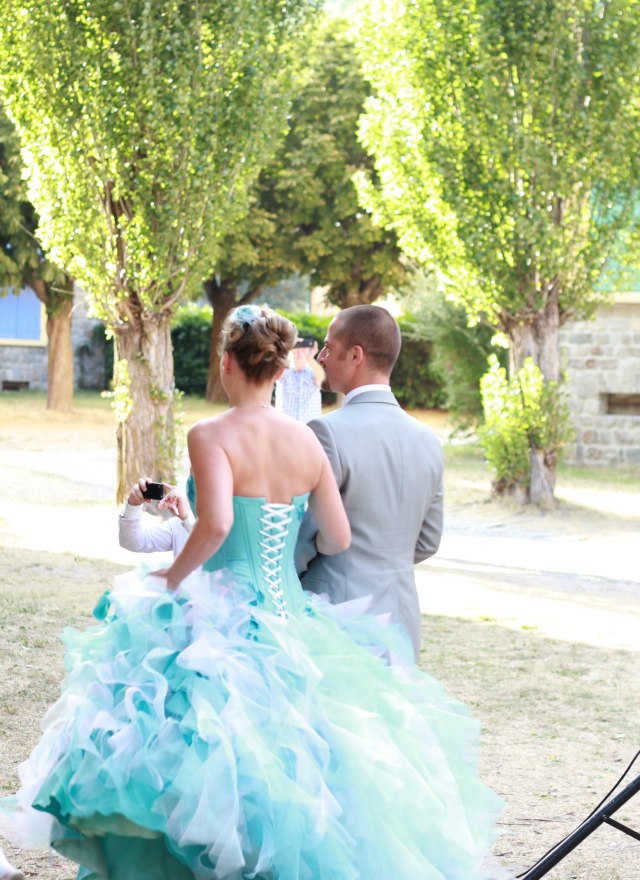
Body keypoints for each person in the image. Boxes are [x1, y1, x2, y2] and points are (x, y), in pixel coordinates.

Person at [0, 304, 502, 880]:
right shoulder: (307, 441)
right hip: (292, 621)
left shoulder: (211, 433)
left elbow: (213, 525)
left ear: (228, 364)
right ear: (280, 367)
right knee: (294, 764)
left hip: (223, 618)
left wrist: (171, 577)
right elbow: (338, 539)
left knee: (196, 758)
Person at [295, 304, 444, 661]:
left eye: (329, 347)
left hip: (337, 614)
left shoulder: (326, 431)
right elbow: (428, 540)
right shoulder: (427, 438)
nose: (322, 356)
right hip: (402, 616)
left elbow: (303, 534)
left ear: (356, 355)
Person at [118, 477, 195, 559]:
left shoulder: (185, 520)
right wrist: (133, 505)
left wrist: (185, 519)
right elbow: (132, 542)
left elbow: (209, 543)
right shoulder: (180, 523)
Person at [274, 336, 323, 422]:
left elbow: (321, 378)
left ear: (308, 352)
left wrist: (310, 358)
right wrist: (286, 347)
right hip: (286, 426)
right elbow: (275, 373)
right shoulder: (285, 371)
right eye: (296, 351)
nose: (299, 354)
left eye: (303, 350)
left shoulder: (313, 370)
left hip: (310, 427)